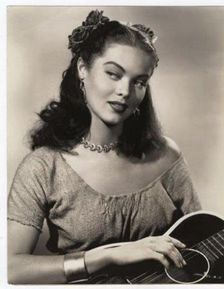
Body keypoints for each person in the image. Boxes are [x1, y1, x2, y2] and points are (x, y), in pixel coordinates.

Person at [8, 10, 201, 284]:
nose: (125, 91)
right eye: (113, 74)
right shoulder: (42, 167)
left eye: (139, 82)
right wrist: (106, 256)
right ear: (82, 69)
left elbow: (207, 240)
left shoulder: (166, 156)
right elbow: (10, 269)